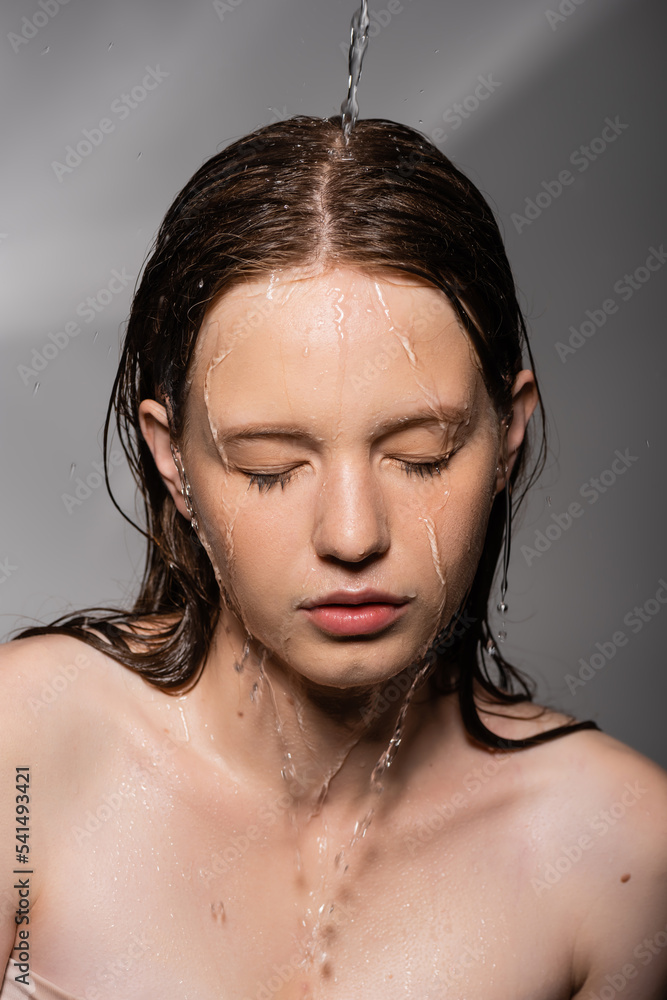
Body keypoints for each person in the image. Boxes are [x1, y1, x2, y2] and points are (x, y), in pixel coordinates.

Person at [1, 115, 666, 1000]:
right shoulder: (27, 753)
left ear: (506, 434)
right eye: (269, 465)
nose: (352, 536)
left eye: (421, 453)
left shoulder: (618, 853)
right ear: (173, 459)